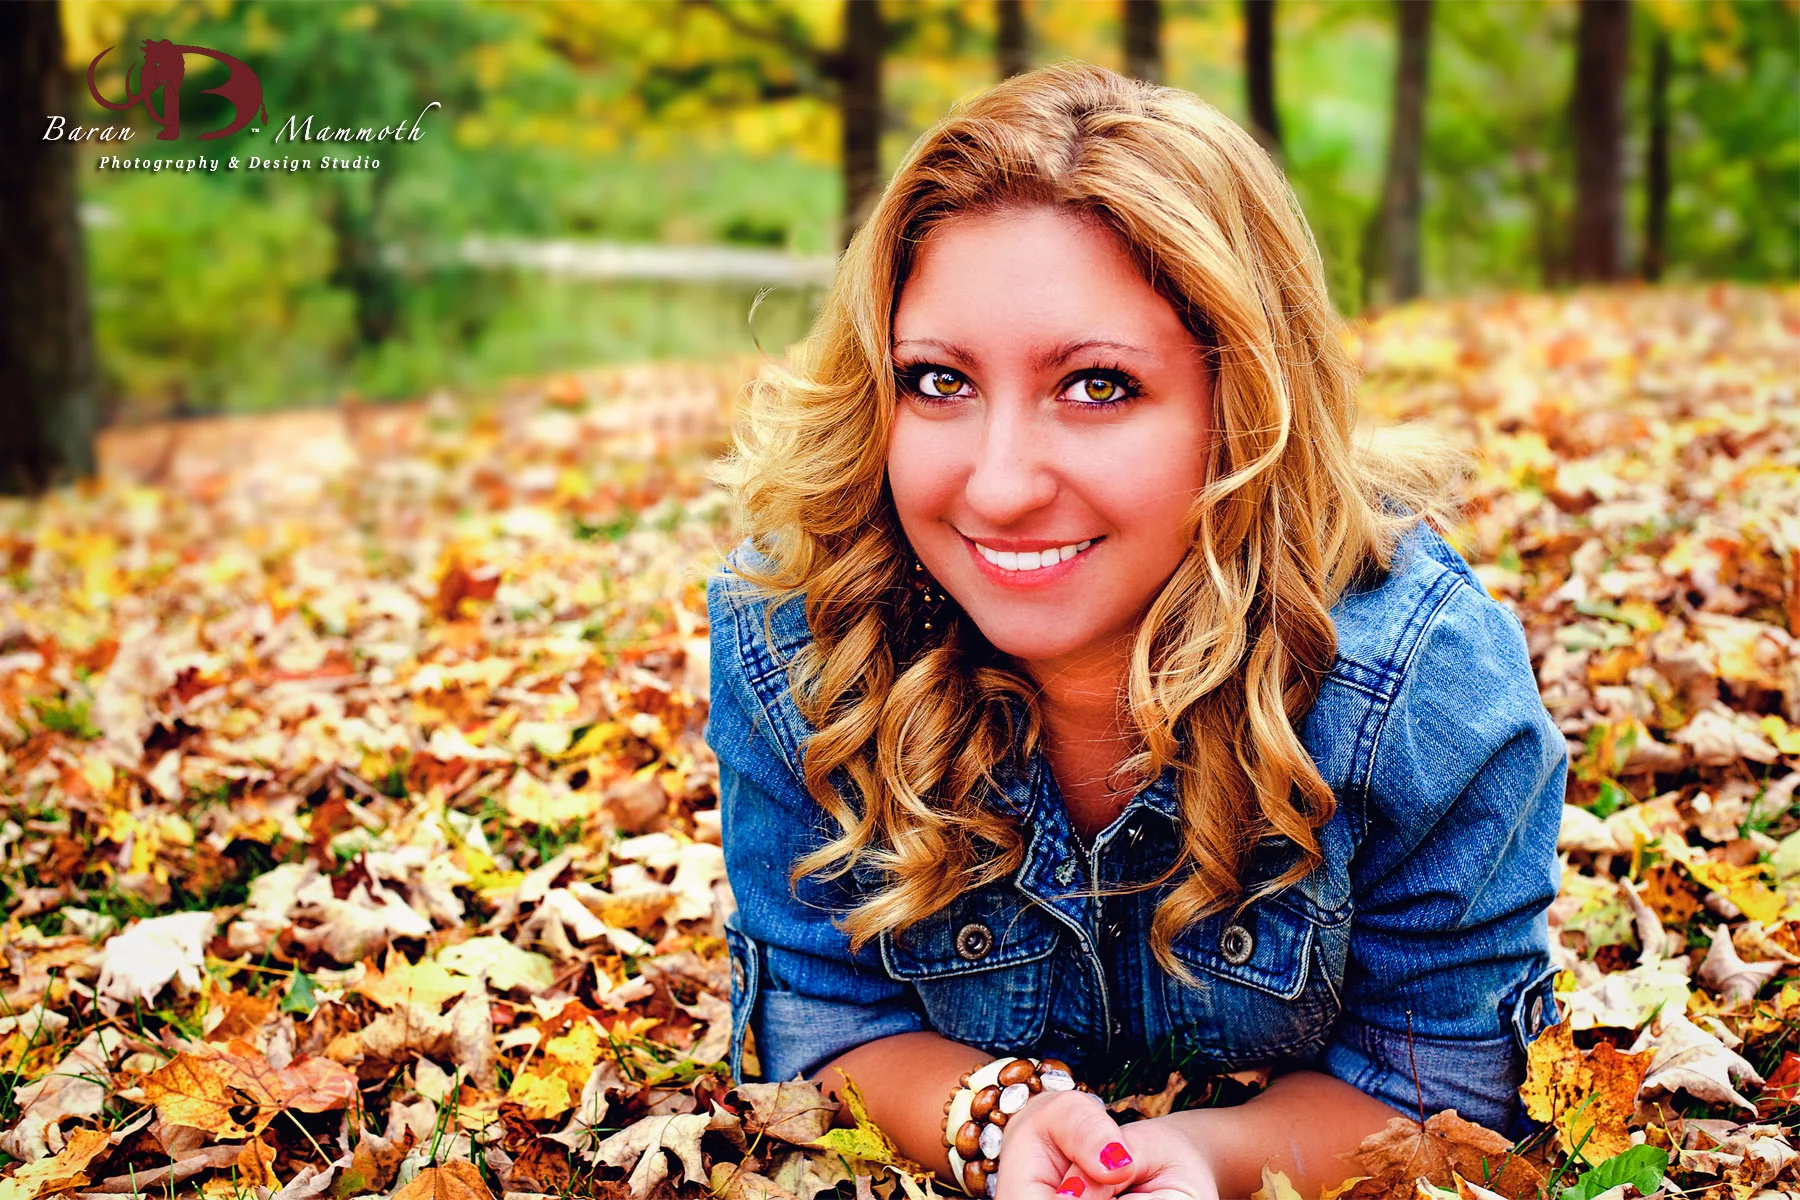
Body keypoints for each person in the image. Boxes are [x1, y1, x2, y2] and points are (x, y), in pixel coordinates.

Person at [703, 60, 1566, 1200]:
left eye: (1098, 385)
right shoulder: (808, 636)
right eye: (938, 381)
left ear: (1244, 403)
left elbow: (1448, 1079)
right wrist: (999, 1124)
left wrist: (1199, 1161)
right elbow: (816, 1024)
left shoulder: (1417, 684)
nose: (1000, 485)